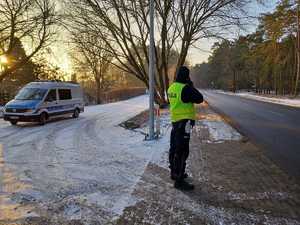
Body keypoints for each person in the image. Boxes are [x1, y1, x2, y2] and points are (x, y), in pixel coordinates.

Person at [168, 66, 203, 191]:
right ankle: (179, 181)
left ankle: (174, 173)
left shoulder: (172, 87)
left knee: (174, 148)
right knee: (182, 151)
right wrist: (191, 85)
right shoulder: (186, 88)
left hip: (175, 122)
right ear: (186, 77)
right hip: (184, 123)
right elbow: (200, 98)